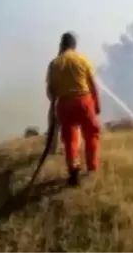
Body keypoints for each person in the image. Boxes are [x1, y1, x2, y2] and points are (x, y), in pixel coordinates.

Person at [45, 32, 101, 186]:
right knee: (91, 134)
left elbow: (50, 92)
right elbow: (92, 84)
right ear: (74, 46)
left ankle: (73, 168)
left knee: (70, 138)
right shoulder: (83, 59)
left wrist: (55, 103)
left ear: (61, 45)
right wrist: (97, 103)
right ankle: (92, 167)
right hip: (84, 101)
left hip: (65, 104)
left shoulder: (55, 64)